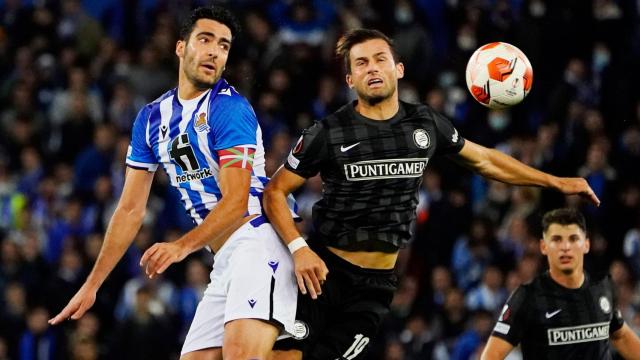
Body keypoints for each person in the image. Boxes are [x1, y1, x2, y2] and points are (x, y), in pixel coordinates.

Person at [263, 28, 601, 359]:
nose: (372, 67)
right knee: (286, 355)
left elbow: (484, 160)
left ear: (399, 69)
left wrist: (554, 181)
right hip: (322, 272)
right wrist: (299, 249)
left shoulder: (424, 123)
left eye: (380, 59)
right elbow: (275, 192)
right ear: (350, 79)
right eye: (361, 63)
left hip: (376, 286)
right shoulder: (327, 132)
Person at [48, 6, 298, 360]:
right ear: (181, 47)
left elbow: (236, 201)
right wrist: (92, 284)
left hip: (258, 242)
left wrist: (180, 247)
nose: (214, 51)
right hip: (224, 257)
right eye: (205, 39)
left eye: (224, 46)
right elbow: (130, 210)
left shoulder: (229, 109)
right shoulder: (151, 118)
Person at [481, 208, 640, 359]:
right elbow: (491, 356)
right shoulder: (527, 297)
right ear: (543, 246)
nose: (565, 247)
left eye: (573, 239)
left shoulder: (602, 288)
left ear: (586, 244)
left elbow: (621, 337)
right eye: (557, 239)